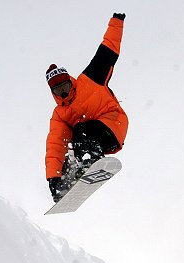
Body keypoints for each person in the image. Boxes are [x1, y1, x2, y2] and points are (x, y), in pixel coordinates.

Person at [45, 13, 129, 202]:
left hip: (112, 124)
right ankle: (66, 183)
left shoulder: (90, 79)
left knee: (82, 130)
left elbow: (108, 51)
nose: (64, 94)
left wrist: (116, 22)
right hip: (91, 142)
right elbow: (55, 145)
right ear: (53, 93)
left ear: (70, 82)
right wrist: (53, 178)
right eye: (59, 91)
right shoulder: (59, 115)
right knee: (67, 151)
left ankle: (88, 159)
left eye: (65, 87)